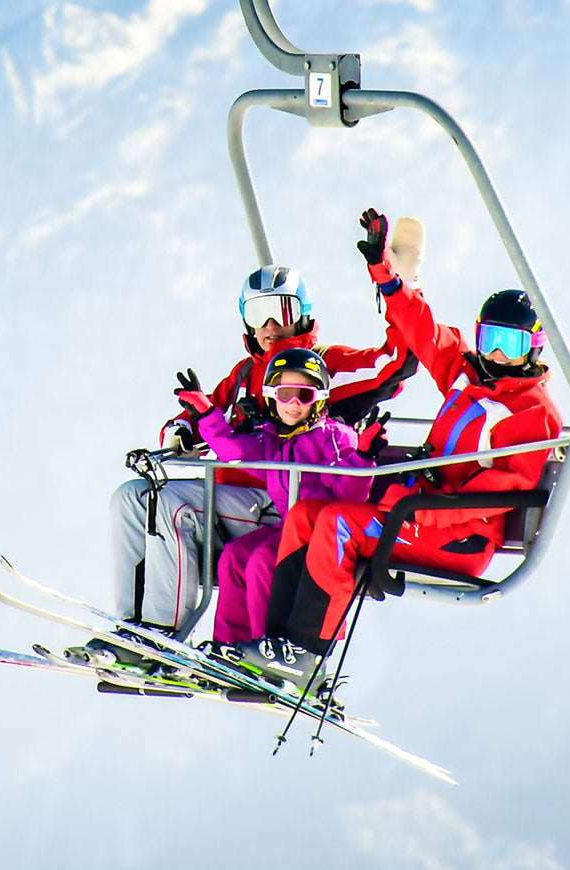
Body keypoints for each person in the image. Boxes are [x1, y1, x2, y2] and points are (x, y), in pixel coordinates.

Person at [240, 209, 564, 688]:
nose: (496, 355)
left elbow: (499, 493)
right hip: (416, 510)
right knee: (306, 513)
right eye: (489, 339)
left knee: (335, 525)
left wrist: (414, 509)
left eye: (509, 344)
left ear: (533, 348)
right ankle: (276, 641)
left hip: (461, 534)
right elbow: (422, 329)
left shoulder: (531, 413)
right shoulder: (466, 374)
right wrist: (385, 274)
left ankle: (306, 653)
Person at [82, 264, 417, 664]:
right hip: (234, 497)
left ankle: (158, 634)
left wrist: (397, 283)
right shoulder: (243, 376)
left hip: (282, 503)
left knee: (173, 507)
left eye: (282, 311)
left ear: (304, 315)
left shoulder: (324, 365)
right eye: (258, 314)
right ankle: (132, 625)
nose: (271, 324)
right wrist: (181, 431)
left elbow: (396, 362)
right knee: (133, 498)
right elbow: (205, 415)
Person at [173, 349, 387, 656]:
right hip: (290, 528)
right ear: (272, 396)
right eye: (285, 394)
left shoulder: (334, 437)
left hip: (320, 533)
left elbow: (350, 497)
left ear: (320, 398)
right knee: (234, 556)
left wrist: (362, 458)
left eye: (304, 395)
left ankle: (268, 647)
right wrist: (207, 414)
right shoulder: (273, 438)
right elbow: (235, 451)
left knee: (262, 561)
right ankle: (230, 644)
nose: (294, 404)